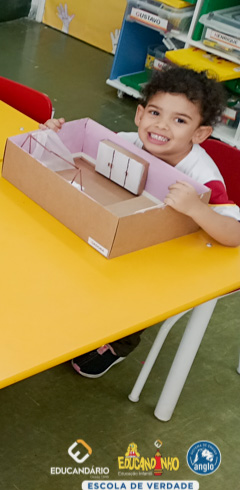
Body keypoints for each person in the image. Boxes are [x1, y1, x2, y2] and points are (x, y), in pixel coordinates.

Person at [43, 65, 240, 377]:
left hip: (169, 258)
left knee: (140, 291)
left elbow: (234, 234)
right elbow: (85, 156)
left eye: (179, 120)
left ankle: (121, 342)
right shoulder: (128, 141)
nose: (161, 125)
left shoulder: (203, 177)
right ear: (139, 114)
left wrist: (197, 209)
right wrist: (55, 137)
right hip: (125, 231)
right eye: (155, 113)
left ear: (200, 134)